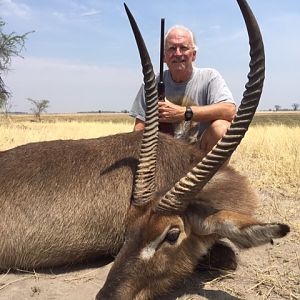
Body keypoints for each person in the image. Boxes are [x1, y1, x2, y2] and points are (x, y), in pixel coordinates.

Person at [130, 25, 236, 154]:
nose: (178, 53)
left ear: (194, 55)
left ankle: (213, 173)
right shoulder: (152, 83)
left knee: (221, 128)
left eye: (184, 48)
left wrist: (184, 113)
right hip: (162, 158)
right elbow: (139, 128)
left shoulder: (210, 77)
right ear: (164, 57)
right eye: (172, 48)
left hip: (198, 157)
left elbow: (230, 111)